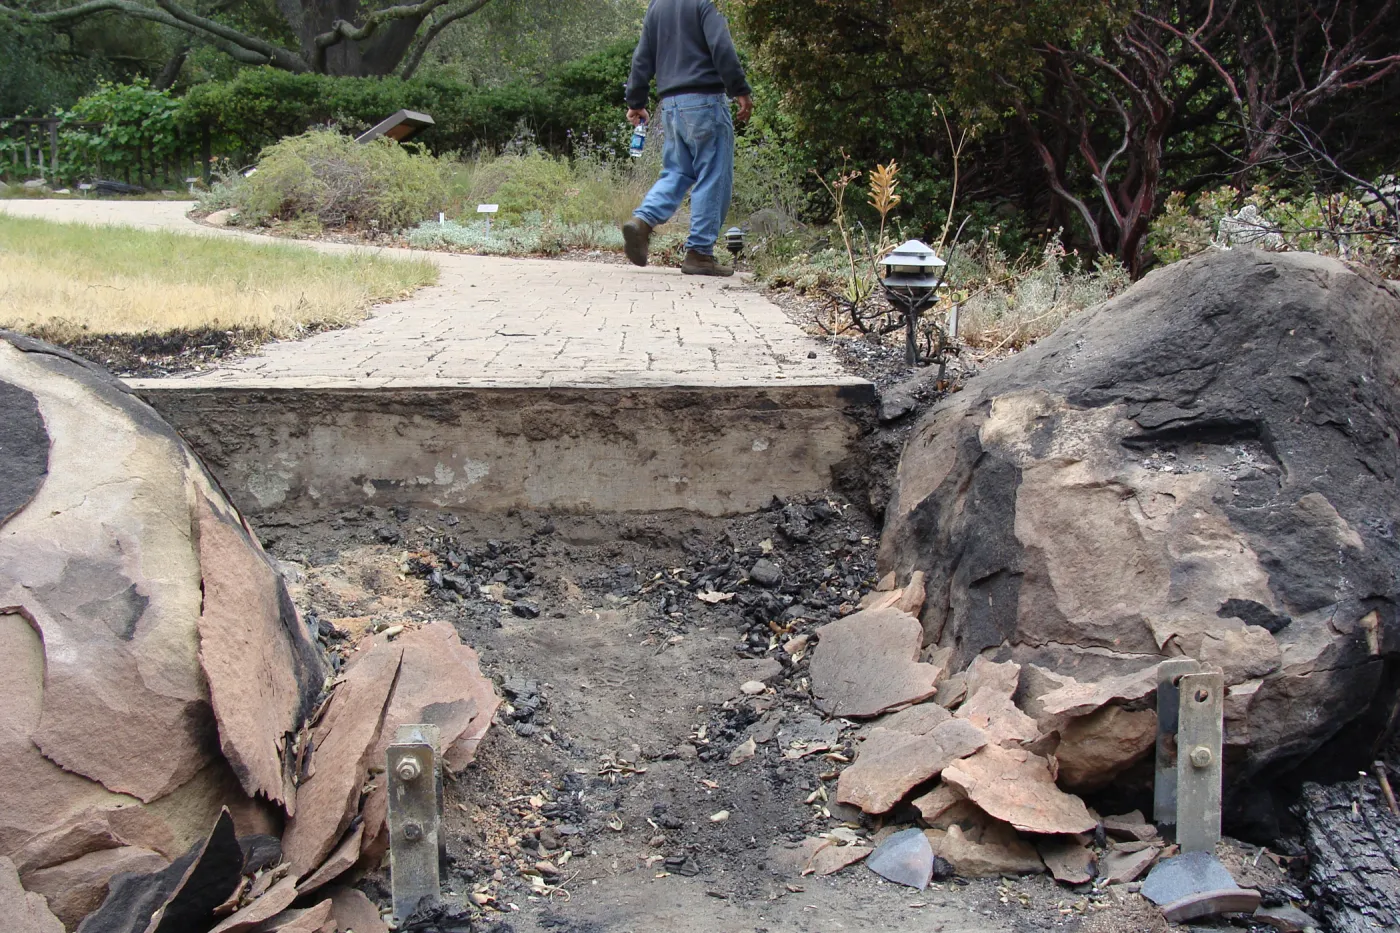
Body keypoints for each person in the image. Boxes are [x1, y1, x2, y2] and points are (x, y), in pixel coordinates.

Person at [621, 0, 754, 277]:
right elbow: (721, 45)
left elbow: (642, 57)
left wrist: (636, 100)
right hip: (705, 101)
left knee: (677, 171)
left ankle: (643, 220)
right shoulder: (707, 2)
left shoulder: (657, 6)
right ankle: (699, 253)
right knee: (714, 173)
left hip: (670, 105)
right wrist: (739, 88)